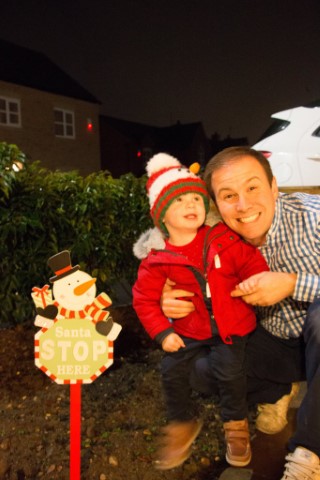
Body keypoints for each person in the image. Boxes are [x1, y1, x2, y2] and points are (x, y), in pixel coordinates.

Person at [162, 146, 320, 479]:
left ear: (274, 187)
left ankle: (309, 451)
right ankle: (277, 391)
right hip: (274, 341)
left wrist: (293, 284)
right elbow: (168, 270)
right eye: (229, 195)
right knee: (202, 369)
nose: (244, 206)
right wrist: (167, 299)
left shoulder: (314, 216)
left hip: (316, 333)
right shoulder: (213, 239)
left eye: (252, 188)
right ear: (216, 205)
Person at [132, 152, 269, 470]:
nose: (191, 205)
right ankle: (182, 423)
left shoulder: (222, 237)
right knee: (171, 371)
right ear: (162, 215)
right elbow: (143, 299)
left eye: (196, 198)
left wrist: (257, 280)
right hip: (189, 327)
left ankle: (236, 426)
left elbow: (249, 261)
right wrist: (163, 332)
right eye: (179, 201)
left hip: (230, 324)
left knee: (229, 372)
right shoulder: (158, 258)